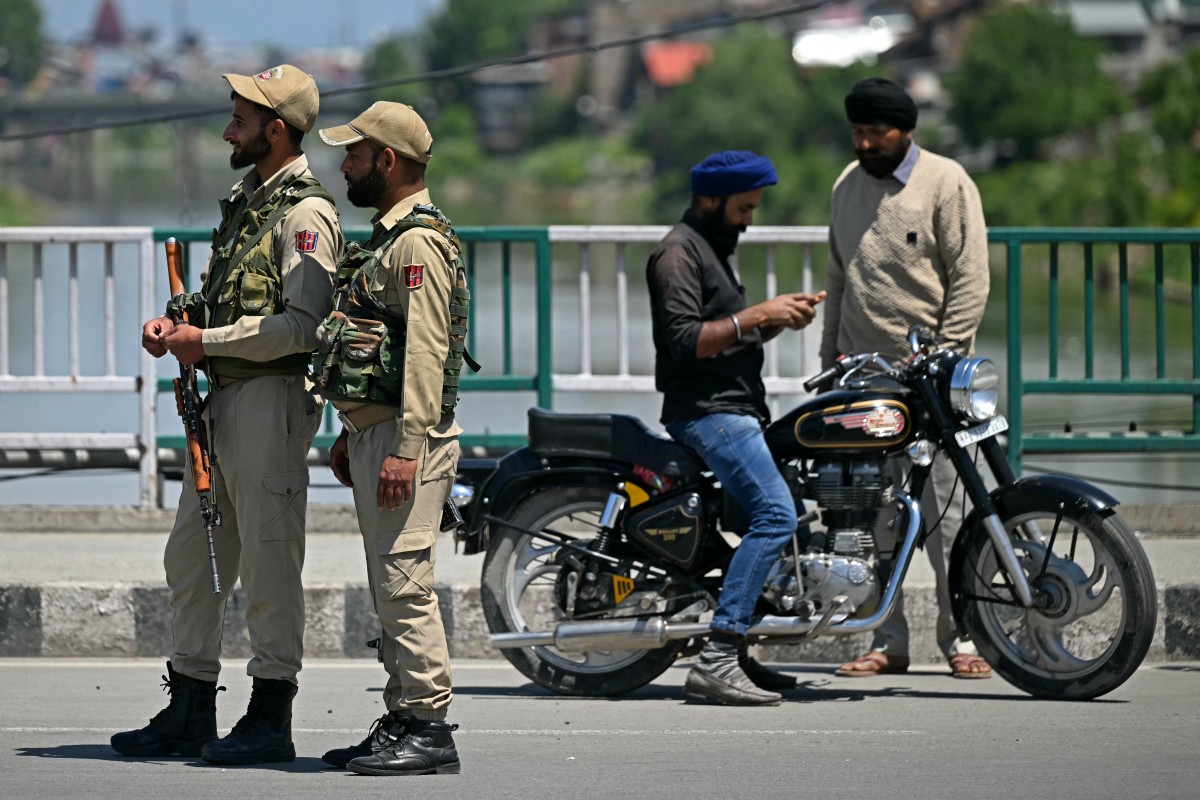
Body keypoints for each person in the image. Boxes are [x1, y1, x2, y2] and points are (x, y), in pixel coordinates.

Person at [113, 65, 343, 764]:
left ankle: (271, 717)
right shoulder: (250, 204)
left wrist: (205, 342)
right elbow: (239, 305)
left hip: (271, 403)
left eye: (240, 121)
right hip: (226, 402)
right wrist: (183, 325)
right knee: (192, 558)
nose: (227, 131)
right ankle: (190, 707)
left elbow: (303, 325)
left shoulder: (307, 216)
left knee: (270, 568)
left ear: (277, 129)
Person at [312, 101, 466, 775]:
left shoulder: (417, 245)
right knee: (388, 584)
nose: (343, 164)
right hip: (379, 436)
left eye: (353, 154)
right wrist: (355, 432)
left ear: (388, 161)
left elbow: (427, 355)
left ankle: (430, 728)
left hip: (412, 443)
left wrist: (406, 447)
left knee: (405, 583)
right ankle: (403, 715)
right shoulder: (387, 238)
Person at [821, 77, 992, 680]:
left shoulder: (945, 182)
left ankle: (964, 639)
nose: (866, 143)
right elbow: (839, 280)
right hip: (864, 384)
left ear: (905, 131)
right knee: (874, 518)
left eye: (877, 133)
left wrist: (944, 359)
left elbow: (971, 279)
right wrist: (829, 364)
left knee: (948, 516)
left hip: (933, 385)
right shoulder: (846, 186)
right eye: (858, 133)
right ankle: (886, 642)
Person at [647, 150, 826, 706]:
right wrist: (757, 314)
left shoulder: (714, 248)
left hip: (736, 406)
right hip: (707, 412)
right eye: (744, 207)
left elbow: (724, 341)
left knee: (785, 511)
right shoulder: (678, 253)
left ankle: (741, 647)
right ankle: (719, 658)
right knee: (777, 516)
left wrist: (775, 321)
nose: (750, 218)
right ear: (711, 200)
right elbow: (684, 342)